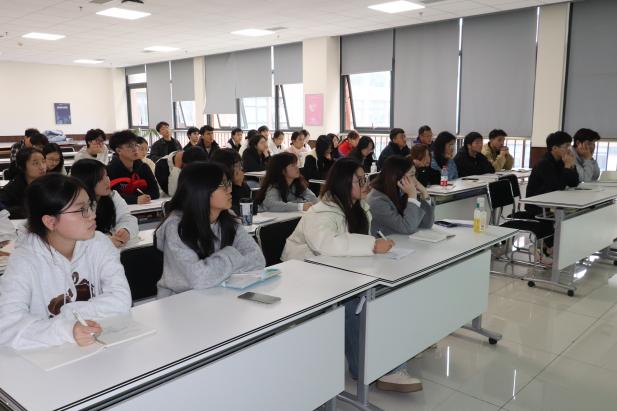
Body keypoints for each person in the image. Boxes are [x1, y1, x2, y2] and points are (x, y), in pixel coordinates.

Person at [280, 160, 421, 393]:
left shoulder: (358, 207)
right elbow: (328, 245)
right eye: (360, 180)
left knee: (385, 294)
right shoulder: (321, 212)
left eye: (366, 178)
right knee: (355, 304)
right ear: (344, 183)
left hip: (336, 274)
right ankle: (370, 369)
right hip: (305, 279)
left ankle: (394, 355)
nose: (366, 184)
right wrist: (372, 245)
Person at [0, 174, 131, 349]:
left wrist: (68, 312)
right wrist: (67, 330)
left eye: (90, 206)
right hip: (47, 354)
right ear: (50, 221)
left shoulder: (99, 243)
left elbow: (121, 299)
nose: (92, 215)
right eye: (81, 210)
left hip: (96, 347)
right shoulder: (24, 260)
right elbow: (8, 325)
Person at [155, 162, 265, 297]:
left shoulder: (228, 218)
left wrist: (215, 270)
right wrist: (232, 254)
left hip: (219, 295)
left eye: (229, 183)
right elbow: (198, 278)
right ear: (201, 190)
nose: (229, 189)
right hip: (181, 302)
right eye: (222, 185)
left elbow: (258, 259)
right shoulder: (177, 227)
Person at [526, 131, 580, 258]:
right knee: (566, 216)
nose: (569, 150)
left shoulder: (561, 161)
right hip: (538, 206)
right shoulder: (544, 163)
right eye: (566, 146)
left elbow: (574, 183)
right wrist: (567, 166)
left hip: (551, 203)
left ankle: (554, 248)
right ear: (555, 148)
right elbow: (556, 187)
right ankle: (547, 249)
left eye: (569, 146)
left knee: (576, 214)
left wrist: (571, 166)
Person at [71, 159, 139, 248]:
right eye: (100, 179)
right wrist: (104, 241)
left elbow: (126, 218)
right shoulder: (73, 205)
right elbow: (74, 236)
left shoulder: (112, 196)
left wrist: (126, 230)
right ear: (86, 182)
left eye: (106, 175)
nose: (107, 181)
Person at [368, 155, 435, 236]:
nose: (415, 180)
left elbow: (426, 224)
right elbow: (407, 228)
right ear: (397, 177)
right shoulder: (377, 200)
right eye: (412, 175)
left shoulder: (403, 192)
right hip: (388, 242)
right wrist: (412, 197)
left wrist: (425, 193)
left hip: (403, 241)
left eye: (415, 175)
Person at [107, 130, 160, 205]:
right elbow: (110, 195)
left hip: (145, 207)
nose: (135, 149)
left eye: (135, 145)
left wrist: (141, 198)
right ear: (118, 151)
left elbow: (155, 192)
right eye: (129, 146)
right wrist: (135, 199)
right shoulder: (109, 170)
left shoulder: (143, 167)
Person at [0, 148, 46, 219]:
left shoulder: (50, 182)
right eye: (35, 163)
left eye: (43, 161)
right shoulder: (14, 187)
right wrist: (21, 211)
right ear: (22, 167)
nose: (42, 167)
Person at [211, 148, 251, 216]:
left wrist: (239, 185)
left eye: (241, 164)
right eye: (237, 165)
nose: (241, 168)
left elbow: (252, 209)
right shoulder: (218, 188)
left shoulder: (242, 185)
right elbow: (235, 212)